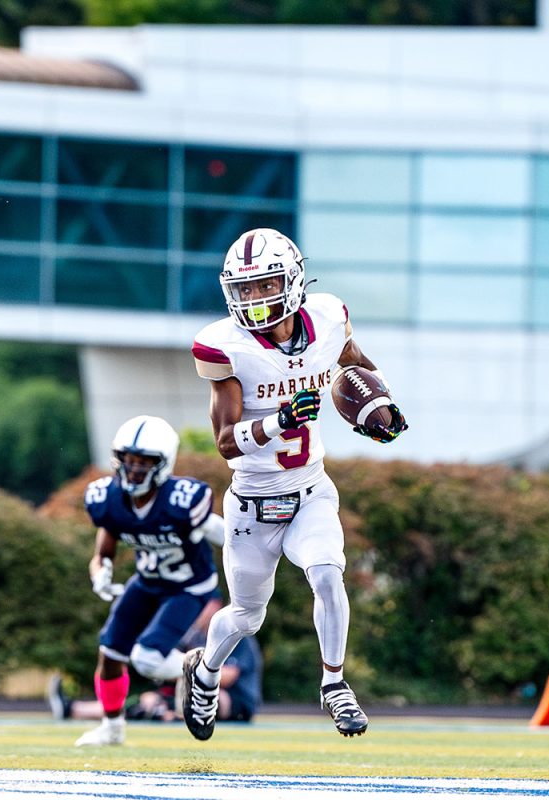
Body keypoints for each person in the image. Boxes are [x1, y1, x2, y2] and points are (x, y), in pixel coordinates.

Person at [182, 228, 407, 741]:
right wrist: (280, 421)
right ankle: (205, 673)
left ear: (293, 280)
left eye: (266, 286)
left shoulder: (329, 317)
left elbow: (354, 364)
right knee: (245, 617)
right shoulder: (227, 347)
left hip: (310, 490)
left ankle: (334, 684)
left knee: (328, 573)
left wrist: (380, 406)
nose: (256, 300)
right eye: (247, 290)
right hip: (253, 504)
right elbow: (225, 442)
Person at [71, 415, 226, 747]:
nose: (135, 469)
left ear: (163, 463)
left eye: (144, 463)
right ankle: (112, 728)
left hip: (188, 587)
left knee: (147, 658)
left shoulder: (183, 500)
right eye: (129, 461)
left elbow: (225, 534)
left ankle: (197, 674)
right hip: (147, 582)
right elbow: (103, 549)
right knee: (110, 651)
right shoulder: (109, 500)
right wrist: (101, 574)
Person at [51, 596, 261, 725]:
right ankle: (73, 709)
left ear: (215, 605)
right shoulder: (193, 638)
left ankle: (167, 713)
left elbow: (227, 678)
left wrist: (180, 669)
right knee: (146, 701)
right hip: (197, 696)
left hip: (235, 702)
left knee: (172, 700)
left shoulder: (233, 633)